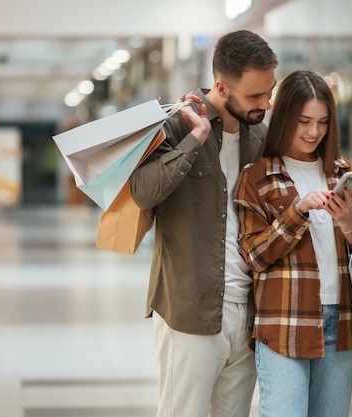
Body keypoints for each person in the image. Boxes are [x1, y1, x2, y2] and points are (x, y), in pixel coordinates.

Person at [129, 30, 278, 417]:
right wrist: (195, 139)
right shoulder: (177, 124)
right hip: (190, 309)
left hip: (247, 311)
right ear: (221, 87)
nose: (265, 104)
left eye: (269, 92)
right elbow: (143, 192)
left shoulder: (258, 137)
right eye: (255, 96)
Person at [233, 70, 352, 417]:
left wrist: (347, 220)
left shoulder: (342, 174)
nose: (314, 132)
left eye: (323, 122)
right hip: (284, 322)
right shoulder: (258, 176)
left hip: (342, 321)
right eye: (304, 121)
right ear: (285, 118)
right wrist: (297, 211)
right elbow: (254, 255)